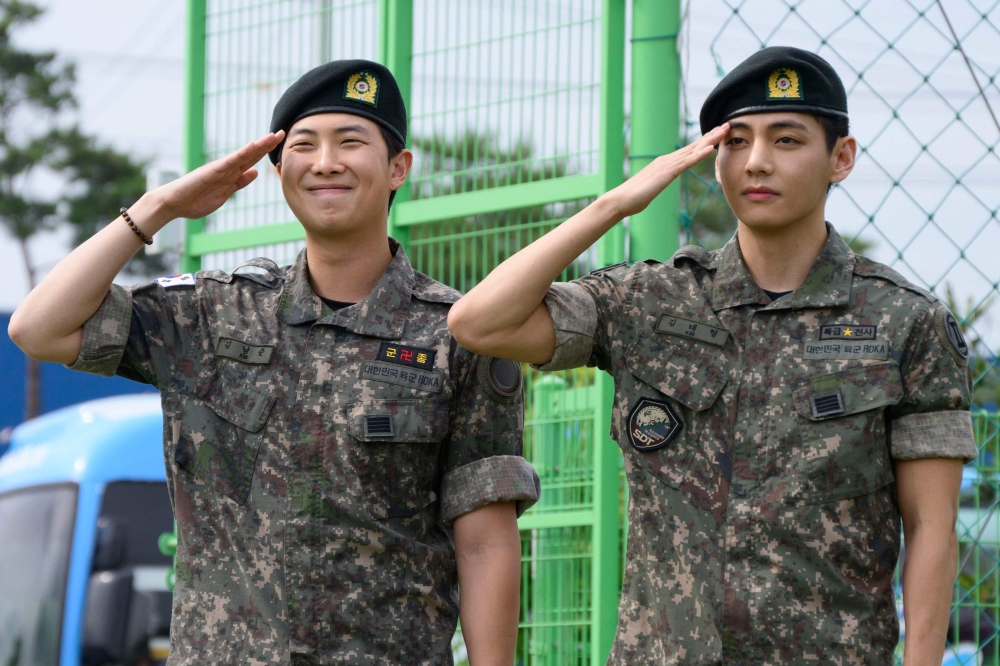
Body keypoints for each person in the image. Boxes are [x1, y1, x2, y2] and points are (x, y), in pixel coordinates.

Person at [447, 46, 977, 664]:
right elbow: (477, 322)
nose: (756, 162)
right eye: (736, 142)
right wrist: (615, 204)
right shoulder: (649, 302)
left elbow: (933, 530)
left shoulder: (905, 322)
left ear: (841, 158)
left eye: (787, 140)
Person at [9, 59, 540, 665]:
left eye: (351, 142)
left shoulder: (458, 333)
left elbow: (484, 541)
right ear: (280, 169)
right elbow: (39, 328)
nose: (326, 163)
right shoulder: (211, 315)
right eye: (304, 145)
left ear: (398, 168)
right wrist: (156, 208)